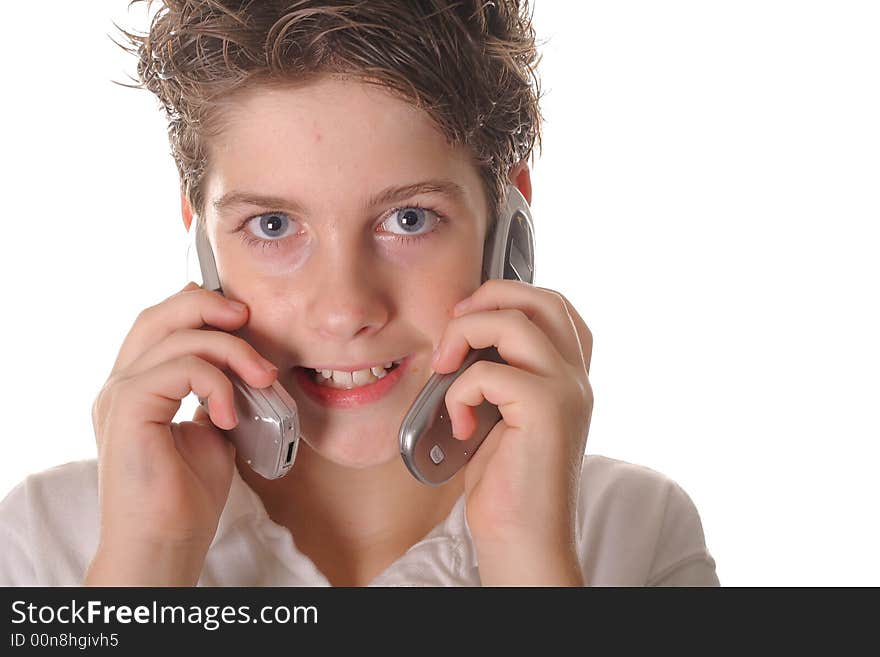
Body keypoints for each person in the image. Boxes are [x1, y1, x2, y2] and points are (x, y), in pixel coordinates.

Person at [0, 0, 718, 587]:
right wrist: (148, 561)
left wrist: (527, 557)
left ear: (506, 220)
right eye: (273, 224)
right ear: (200, 236)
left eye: (408, 219)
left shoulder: (638, 531)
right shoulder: (45, 538)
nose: (345, 309)